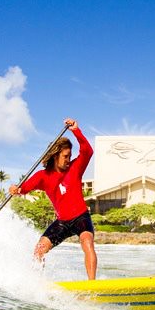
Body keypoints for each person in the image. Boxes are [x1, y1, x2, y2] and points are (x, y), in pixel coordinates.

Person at [9, 118, 97, 279]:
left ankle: (92, 286)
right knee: (39, 250)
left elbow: (88, 151)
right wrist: (16, 189)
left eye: (70, 156)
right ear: (55, 155)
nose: (69, 159)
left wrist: (76, 131)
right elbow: (24, 188)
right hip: (62, 222)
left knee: (87, 242)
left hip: (81, 217)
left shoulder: (75, 168)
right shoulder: (43, 176)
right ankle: (36, 284)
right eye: (65, 156)